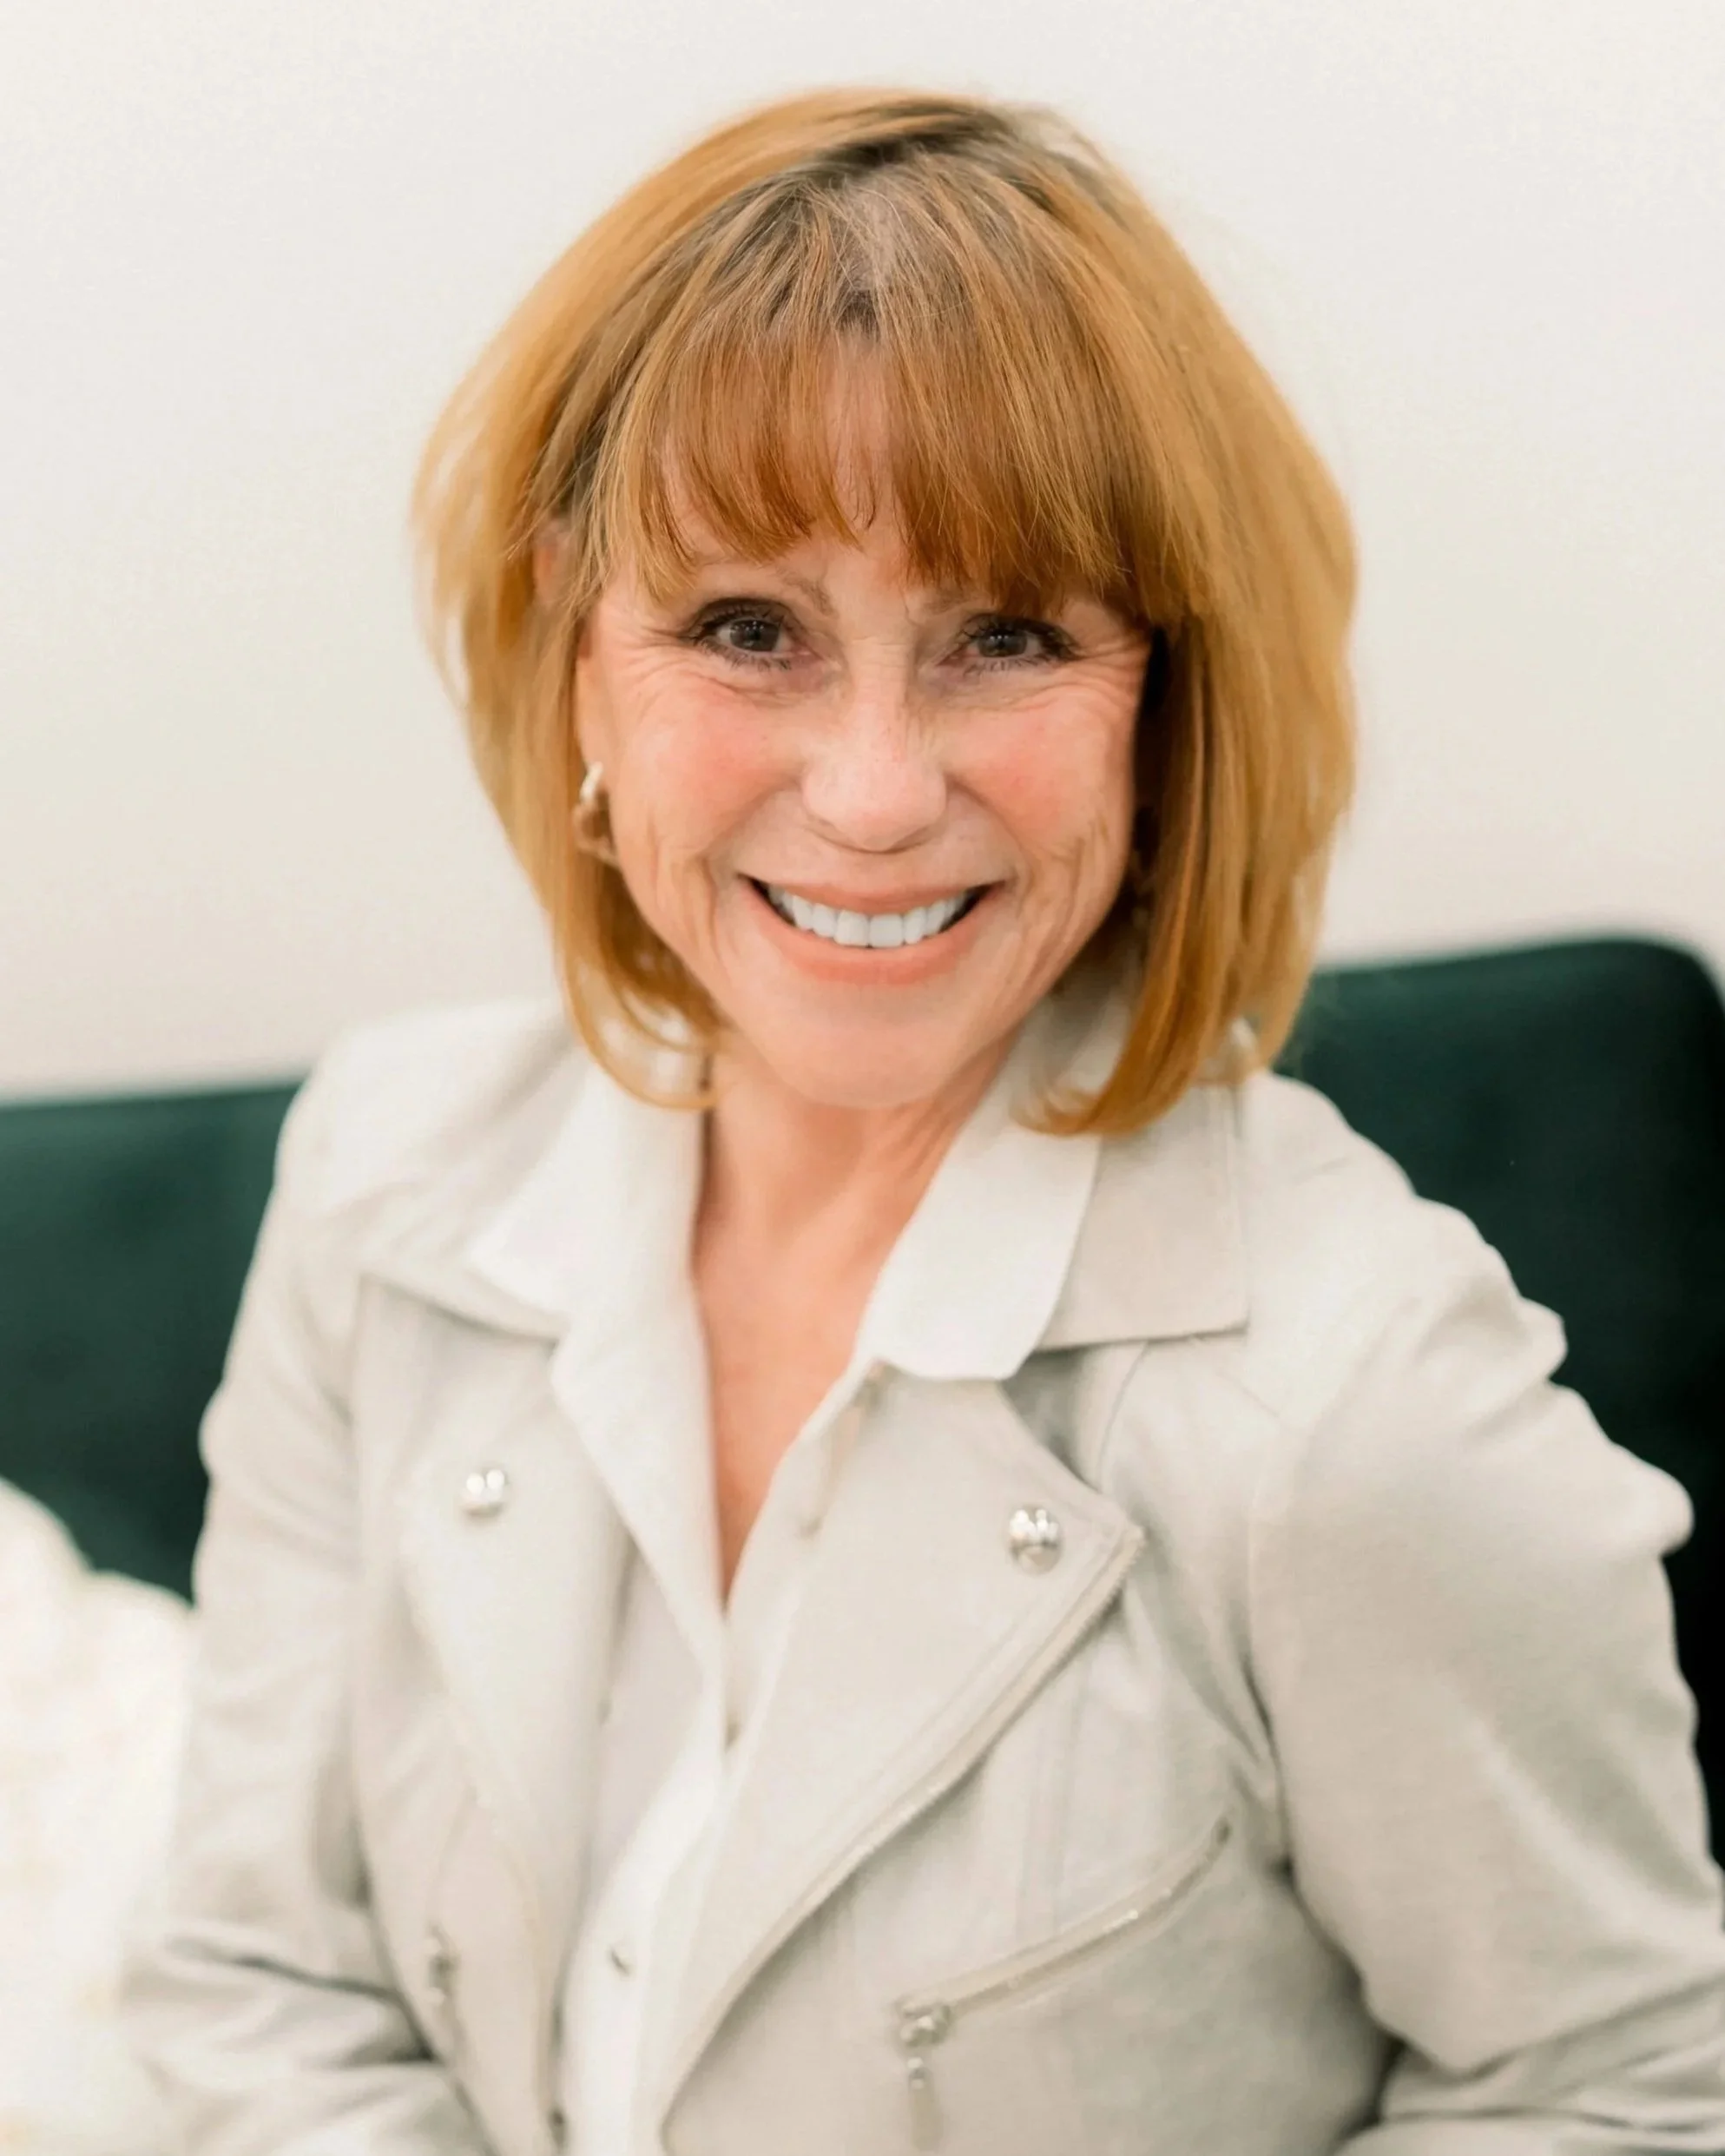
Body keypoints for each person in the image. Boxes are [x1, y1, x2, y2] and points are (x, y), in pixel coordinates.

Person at [123, 86, 1725, 2156]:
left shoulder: (1367, 1404)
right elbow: (258, 1980)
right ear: (577, 660)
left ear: (1167, 704)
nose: (874, 790)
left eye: (1007, 636)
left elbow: (1628, 2088)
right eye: (745, 629)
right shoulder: (382, 1176)